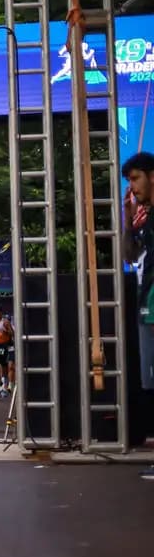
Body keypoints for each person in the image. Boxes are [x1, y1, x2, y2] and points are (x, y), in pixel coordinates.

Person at [121, 151, 154, 479]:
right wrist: (128, 218)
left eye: (135, 179)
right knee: (150, 383)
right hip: (146, 303)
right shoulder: (144, 218)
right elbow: (130, 255)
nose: (132, 188)